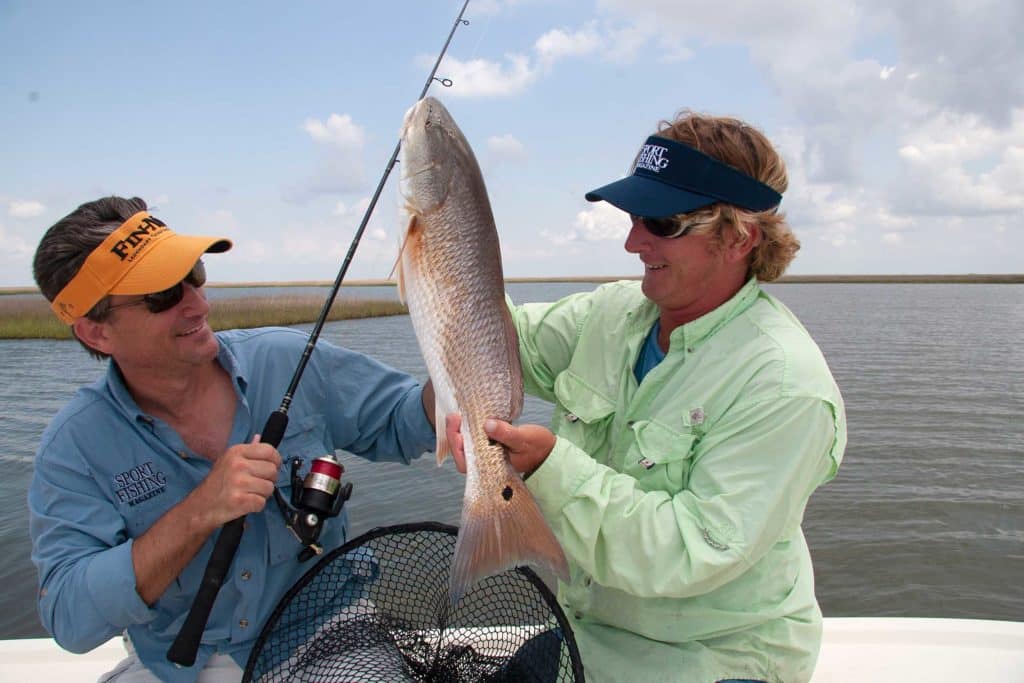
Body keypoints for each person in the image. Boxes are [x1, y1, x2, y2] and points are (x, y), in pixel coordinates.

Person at [446, 111, 847, 682]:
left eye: (662, 222)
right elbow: (498, 333)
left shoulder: (783, 384)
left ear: (740, 237)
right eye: (635, 216)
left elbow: (688, 550)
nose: (634, 241)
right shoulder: (613, 313)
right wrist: (438, 252)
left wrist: (547, 468)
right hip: (588, 637)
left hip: (712, 659)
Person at [28, 196, 437, 683]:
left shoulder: (285, 359)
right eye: (161, 295)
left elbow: (405, 420)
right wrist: (199, 512)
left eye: (194, 274)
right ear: (96, 333)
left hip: (328, 635)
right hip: (177, 663)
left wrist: (465, 358)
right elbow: (71, 618)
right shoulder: (73, 447)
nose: (197, 303)